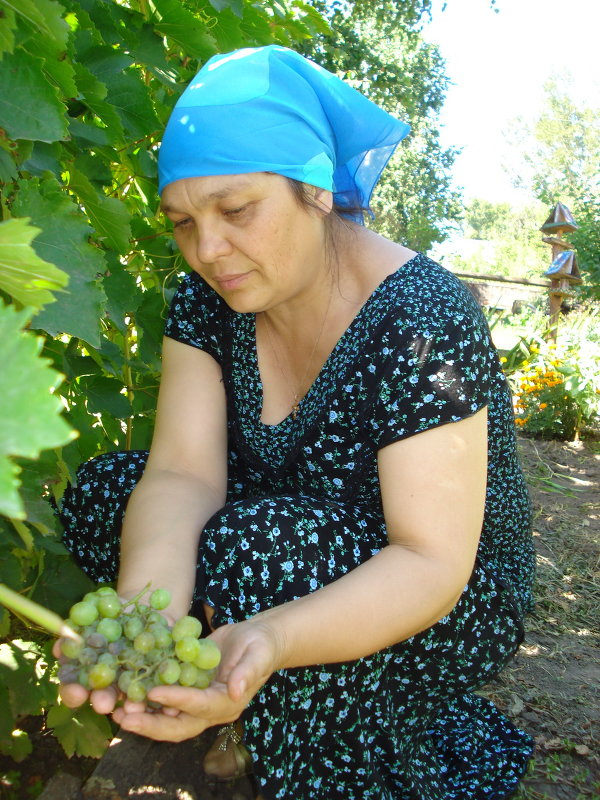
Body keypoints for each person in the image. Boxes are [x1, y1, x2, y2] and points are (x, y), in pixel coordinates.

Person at [58, 45, 536, 800]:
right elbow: (181, 472)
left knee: (260, 553)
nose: (209, 250)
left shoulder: (422, 319)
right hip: (288, 524)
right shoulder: (207, 300)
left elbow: (430, 560)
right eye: (182, 222)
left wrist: (270, 637)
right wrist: (137, 620)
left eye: (237, 210)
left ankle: (283, 703)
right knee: (107, 494)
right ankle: (235, 684)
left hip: (442, 579)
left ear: (315, 190)